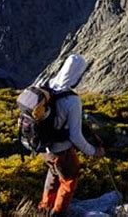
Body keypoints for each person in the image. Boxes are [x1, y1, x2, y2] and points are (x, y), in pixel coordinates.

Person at [38, 54, 105, 216]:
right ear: (77, 75)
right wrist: (94, 151)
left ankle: (43, 209)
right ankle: (58, 213)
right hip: (62, 151)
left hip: (44, 147)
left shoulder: (46, 85)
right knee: (69, 179)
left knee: (54, 174)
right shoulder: (72, 100)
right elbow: (75, 136)